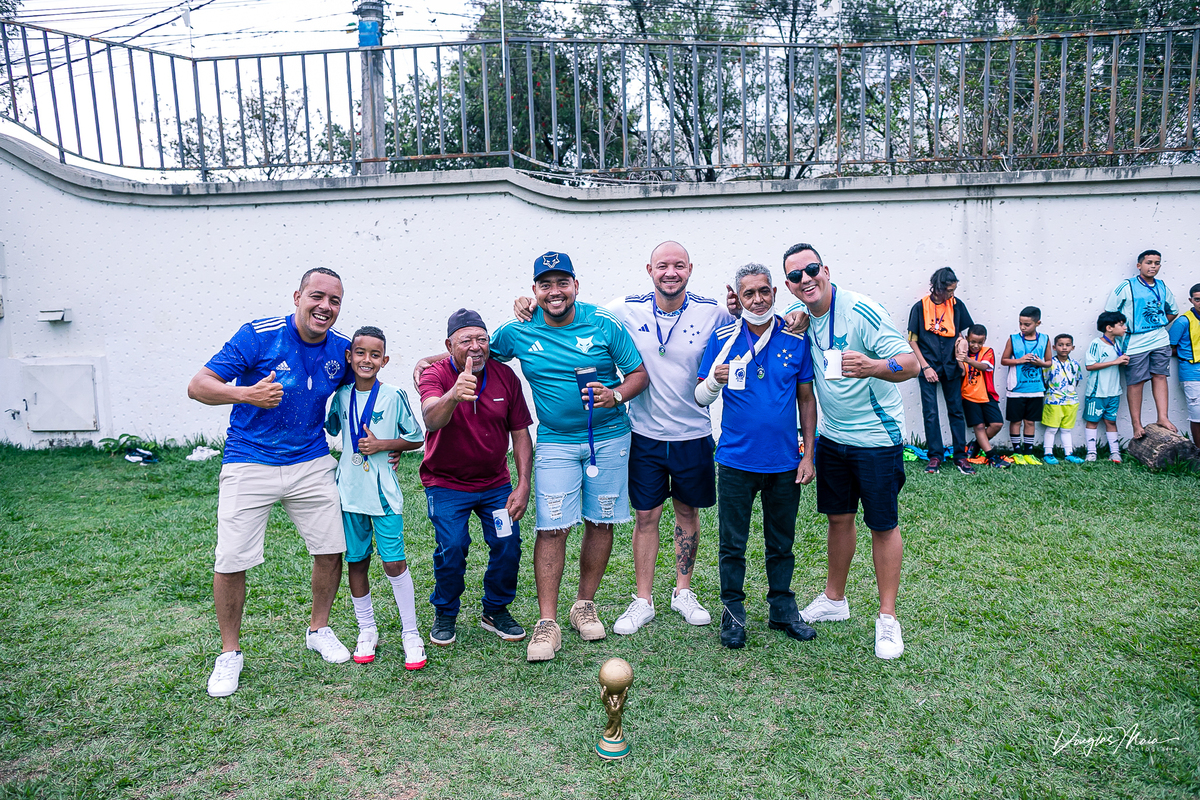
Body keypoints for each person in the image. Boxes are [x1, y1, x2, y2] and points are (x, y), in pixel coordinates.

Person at [420, 252, 648, 663]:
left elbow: (639, 374)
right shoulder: (518, 329)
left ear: (576, 286)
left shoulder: (604, 323)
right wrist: (433, 361)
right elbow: (477, 350)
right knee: (552, 526)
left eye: (562, 283)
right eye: (546, 285)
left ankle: (584, 606)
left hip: (609, 437)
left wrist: (615, 395)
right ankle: (547, 623)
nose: (554, 292)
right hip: (556, 442)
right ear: (534, 290)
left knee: (600, 521)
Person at [516, 242, 734, 635]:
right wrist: (532, 304)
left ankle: (683, 592)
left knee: (687, 513)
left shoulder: (714, 312)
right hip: (645, 433)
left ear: (690, 268)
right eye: (662, 265)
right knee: (646, 516)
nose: (671, 273)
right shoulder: (623, 309)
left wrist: (781, 315)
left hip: (694, 432)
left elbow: (751, 324)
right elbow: (572, 309)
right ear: (649, 270)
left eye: (679, 265)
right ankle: (643, 599)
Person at [188, 268, 354, 698]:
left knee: (331, 549)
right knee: (231, 559)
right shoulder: (258, 335)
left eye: (335, 300)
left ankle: (319, 629)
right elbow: (198, 386)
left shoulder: (342, 349)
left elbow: (370, 382)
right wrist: (246, 394)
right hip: (249, 460)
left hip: (310, 460)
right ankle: (230, 653)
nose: (325, 307)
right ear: (297, 296)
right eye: (317, 296)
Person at [781, 243, 919, 660]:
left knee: (882, 525)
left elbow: (910, 363)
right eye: (795, 276)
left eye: (811, 270)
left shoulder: (861, 310)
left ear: (825, 270)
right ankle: (834, 599)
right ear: (789, 285)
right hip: (833, 438)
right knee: (838, 519)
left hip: (876, 439)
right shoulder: (803, 316)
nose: (806, 279)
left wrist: (873, 366)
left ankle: (887, 617)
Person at [695, 263, 818, 649]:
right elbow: (700, 397)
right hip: (735, 461)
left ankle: (782, 608)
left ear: (775, 292)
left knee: (781, 542)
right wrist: (714, 381)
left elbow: (806, 399)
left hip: (784, 461)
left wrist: (808, 455)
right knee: (732, 544)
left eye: (764, 291)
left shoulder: (796, 336)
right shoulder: (724, 337)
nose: (758, 299)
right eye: (749, 293)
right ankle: (732, 612)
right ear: (738, 297)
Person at [416, 309, 534, 648]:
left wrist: (523, 484)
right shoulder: (435, 374)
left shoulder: (505, 376)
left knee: (507, 543)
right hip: (446, 484)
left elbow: (520, 433)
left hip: (495, 484)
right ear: (448, 345)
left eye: (482, 339)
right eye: (466, 340)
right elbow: (431, 419)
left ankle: (495, 610)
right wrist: (453, 394)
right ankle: (445, 612)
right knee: (453, 546)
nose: (475, 346)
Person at [324, 326, 425, 669]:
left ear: (385, 360)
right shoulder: (341, 395)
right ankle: (366, 629)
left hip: (383, 494)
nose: (367, 360)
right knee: (357, 561)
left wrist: (384, 445)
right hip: (349, 493)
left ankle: (411, 633)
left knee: (394, 562)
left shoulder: (393, 396)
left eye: (375, 354)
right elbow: (333, 428)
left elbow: (416, 438)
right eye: (360, 353)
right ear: (349, 357)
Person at [1105, 250, 1180, 438]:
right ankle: (1136, 425)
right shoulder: (1126, 286)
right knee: (1136, 382)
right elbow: (1110, 312)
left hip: (1159, 340)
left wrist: (1159, 323)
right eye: (1149, 262)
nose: (1153, 266)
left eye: (1157, 263)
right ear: (1139, 265)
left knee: (1160, 376)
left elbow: (1173, 310)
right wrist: (1123, 330)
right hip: (1135, 342)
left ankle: (1162, 417)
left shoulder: (1162, 286)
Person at [907, 268, 975, 475]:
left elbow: (962, 333)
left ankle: (960, 456)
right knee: (930, 412)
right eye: (950, 290)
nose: (952, 294)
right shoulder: (920, 307)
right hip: (928, 366)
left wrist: (962, 351)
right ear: (938, 288)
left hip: (951, 366)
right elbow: (912, 340)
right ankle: (935, 456)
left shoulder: (957, 305)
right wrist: (925, 367)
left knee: (956, 411)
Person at [999, 306, 1051, 465]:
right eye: (1020, 323)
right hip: (1016, 389)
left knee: (1030, 421)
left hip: (1036, 389)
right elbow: (1004, 360)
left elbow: (1049, 362)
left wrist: (1040, 363)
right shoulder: (1013, 339)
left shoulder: (1045, 339)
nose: (1022, 327)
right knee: (1016, 421)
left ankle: (1029, 452)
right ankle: (1017, 452)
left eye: (1027, 324)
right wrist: (1020, 360)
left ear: (1038, 323)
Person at [959, 324, 1009, 468]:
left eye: (980, 342)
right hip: (968, 395)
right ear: (967, 338)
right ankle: (992, 456)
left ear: (985, 340)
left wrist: (967, 359)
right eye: (972, 342)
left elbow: (984, 367)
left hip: (987, 394)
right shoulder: (962, 352)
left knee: (997, 424)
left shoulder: (987, 351)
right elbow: (961, 372)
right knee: (979, 426)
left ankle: (975, 445)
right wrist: (959, 352)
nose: (976, 345)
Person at [1084, 311, 1129, 463]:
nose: (1124, 328)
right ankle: (1091, 453)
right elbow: (1090, 365)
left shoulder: (1118, 343)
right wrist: (1115, 362)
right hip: (1097, 392)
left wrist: (1123, 361)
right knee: (1093, 421)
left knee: (1110, 421)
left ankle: (1115, 453)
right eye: (1121, 325)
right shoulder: (1096, 344)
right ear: (1109, 328)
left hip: (1114, 391)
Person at [1041, 334, 1084, 464]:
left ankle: (1068, 453)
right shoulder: (1049, 363)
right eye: (1060, 345)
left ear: (1073, 347)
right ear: (1054, 347)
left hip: (1071, 401)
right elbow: (1044, 380)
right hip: (1054, 401)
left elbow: (1076, 380)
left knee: (1066, 429)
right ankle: (1048, 453)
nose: (1064, 348)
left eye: (1067, 345)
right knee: (1052, 429)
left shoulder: (1075, 364)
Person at [1168, 283, 1200, 443]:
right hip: (1192, 374)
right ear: (1191, 300)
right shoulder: (1183, 321)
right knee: (1197, 416)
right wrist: (1184, 354)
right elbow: (1168, 347)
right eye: (1197, 299)